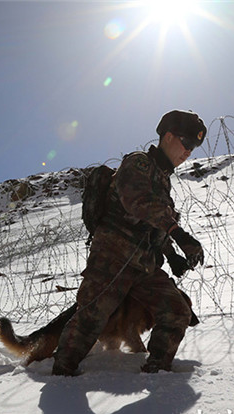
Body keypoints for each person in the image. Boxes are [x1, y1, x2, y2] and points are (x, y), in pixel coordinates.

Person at [52, 110, 207, 375]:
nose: (189, 152)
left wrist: (171, 255)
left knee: (176, 311)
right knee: (90, 319)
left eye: (194, 147)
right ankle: (61, 379)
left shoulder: (163, 180)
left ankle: (157, 372)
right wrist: (179, 235)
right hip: (111, 259)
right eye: (187, 143)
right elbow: (138, 204)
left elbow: (152, 226)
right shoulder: (139, 163)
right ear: (168, 137)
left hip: (143, 267)